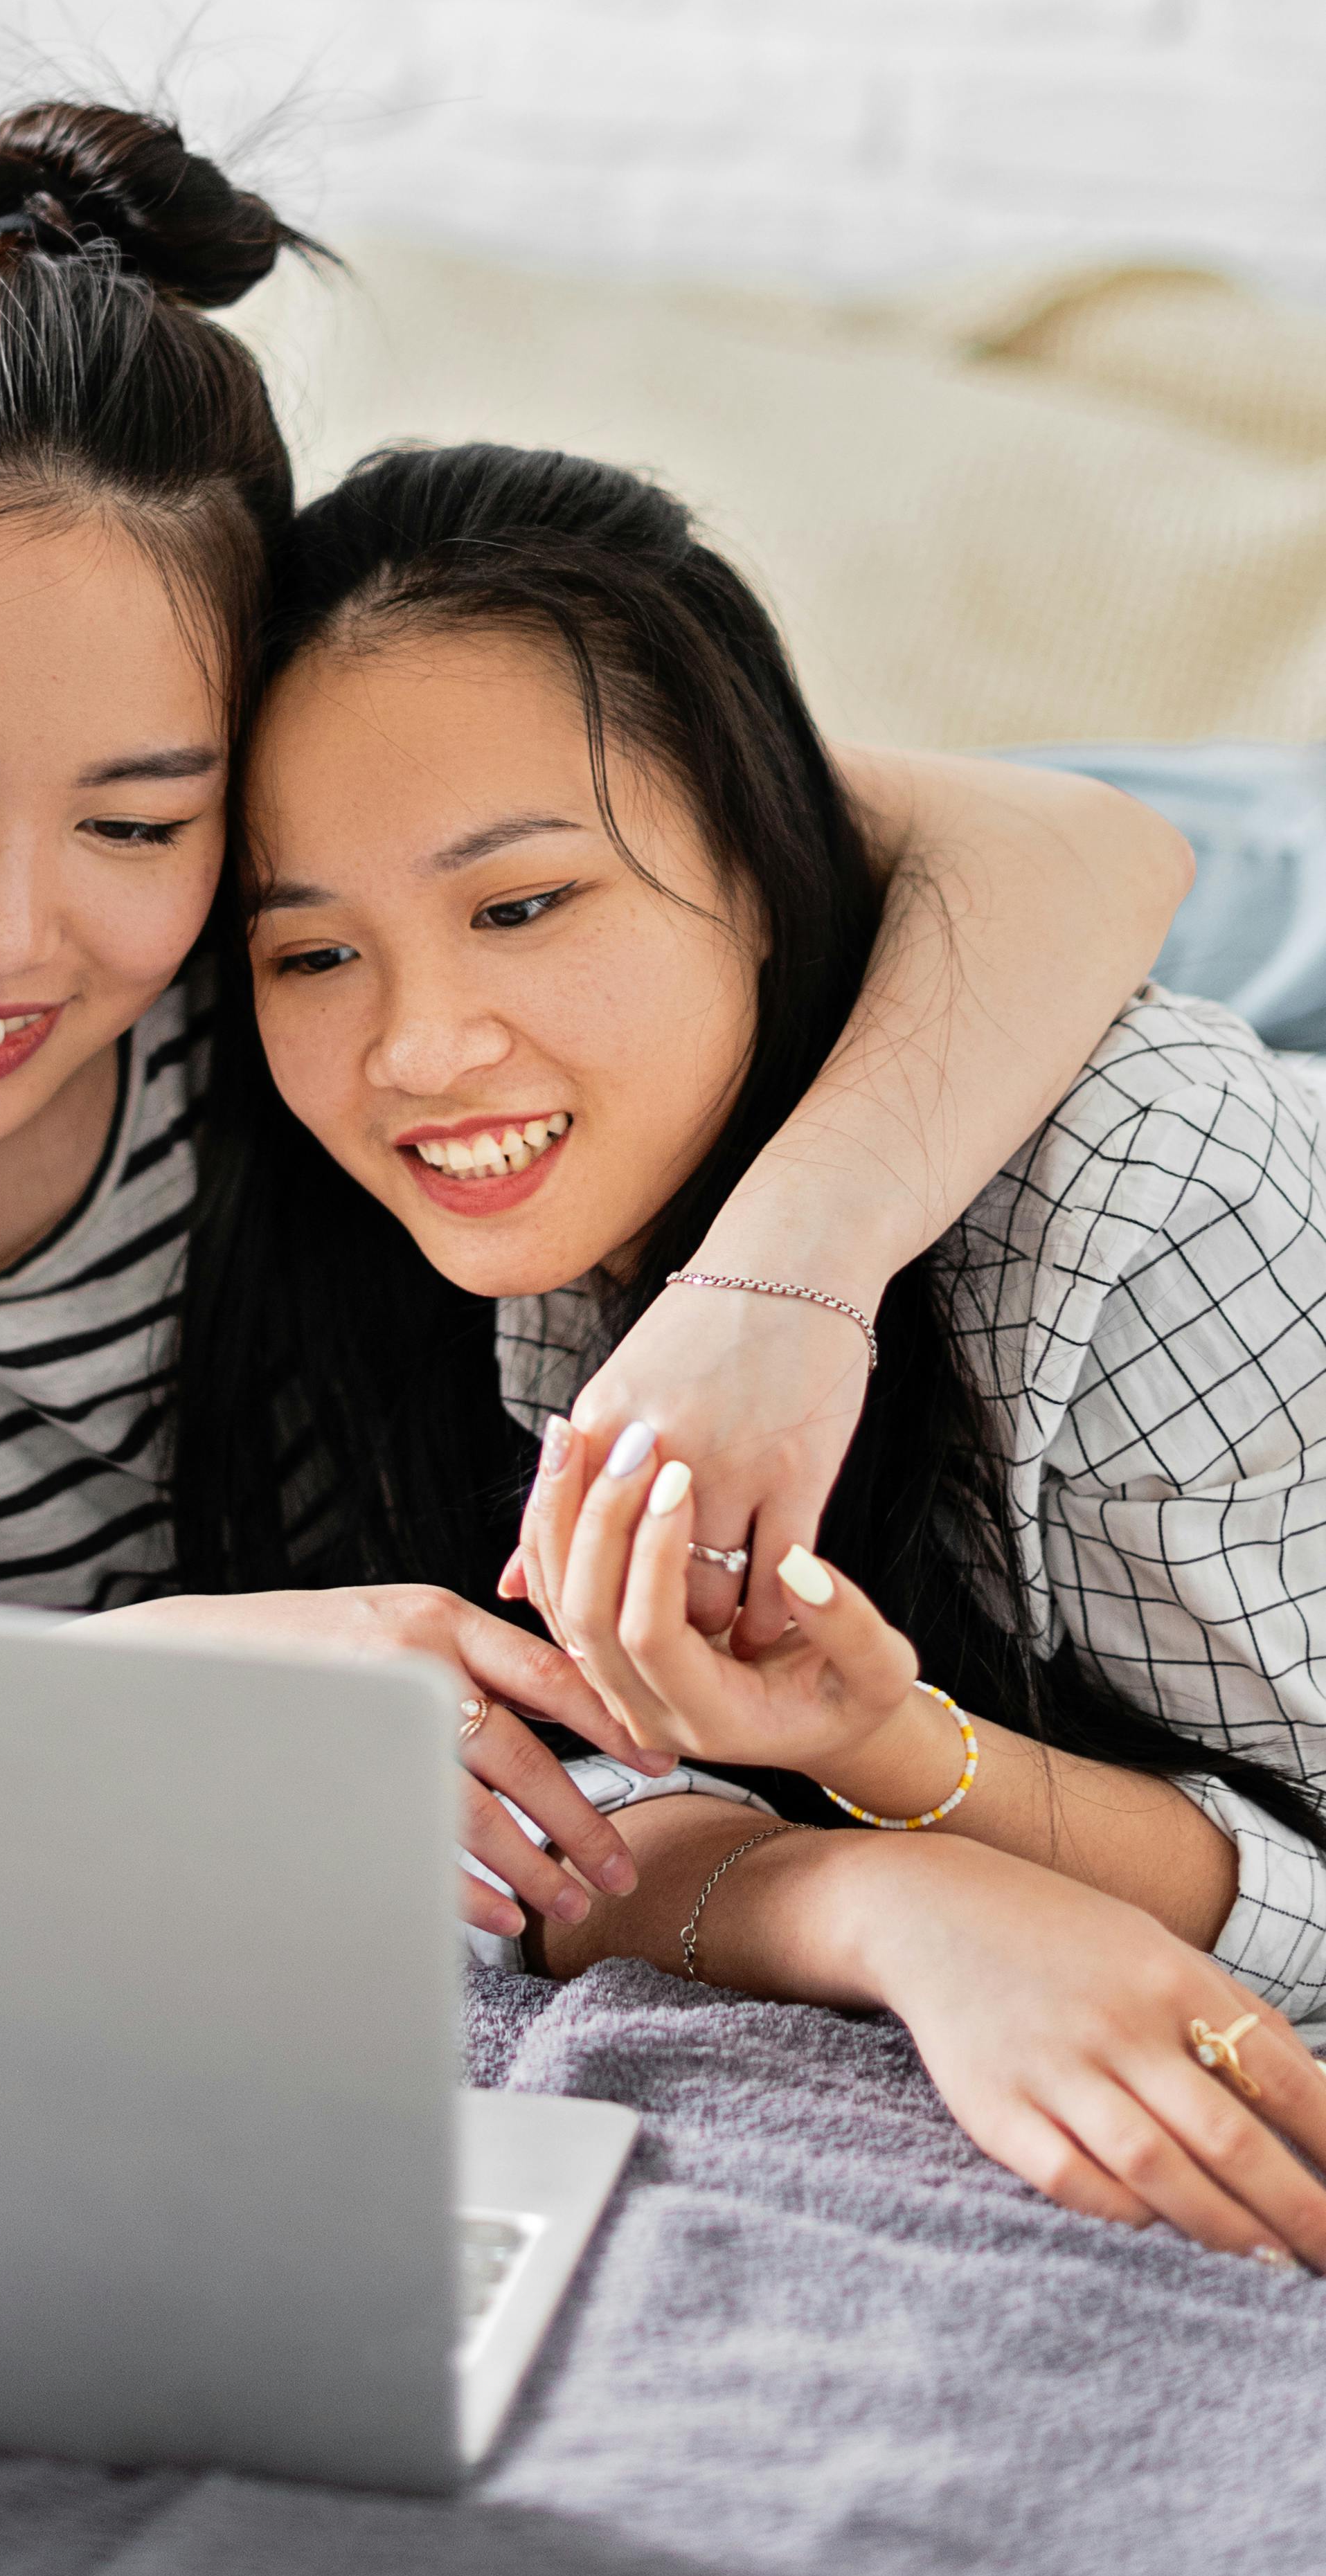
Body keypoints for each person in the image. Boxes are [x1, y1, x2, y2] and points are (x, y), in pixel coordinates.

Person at [0, 103, 1182, 1952]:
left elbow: (1075, 836)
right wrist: (168, 1695)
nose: (6, 940)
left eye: (137, 822)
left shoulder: (314, 893)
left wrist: (776, 1291)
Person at [183, 436, 1326, 2267]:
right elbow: (535, 1835)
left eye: (521, 904)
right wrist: (868, 1880)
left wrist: (903, 1755)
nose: (413, 1048)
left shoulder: (1140, 1177)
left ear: (773, 860)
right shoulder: (345, 1210)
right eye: (309, 952)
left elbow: (1317, 1903)